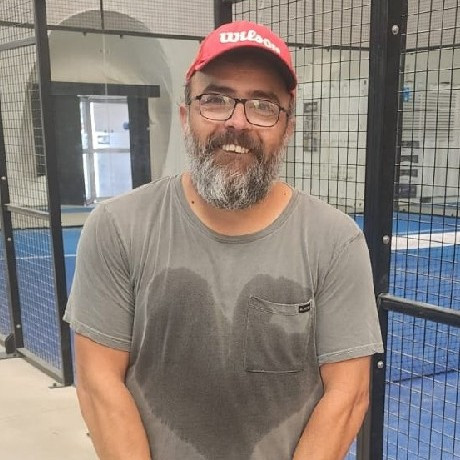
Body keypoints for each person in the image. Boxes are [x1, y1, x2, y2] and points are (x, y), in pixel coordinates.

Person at [64, 20, 383, 460]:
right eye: (215, 100)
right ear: (185, 117)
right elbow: (99, 381)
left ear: (287, 128)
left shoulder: (335, 241)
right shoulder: (118, 227)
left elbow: (347, 395)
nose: (237, 122)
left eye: (263, 105)